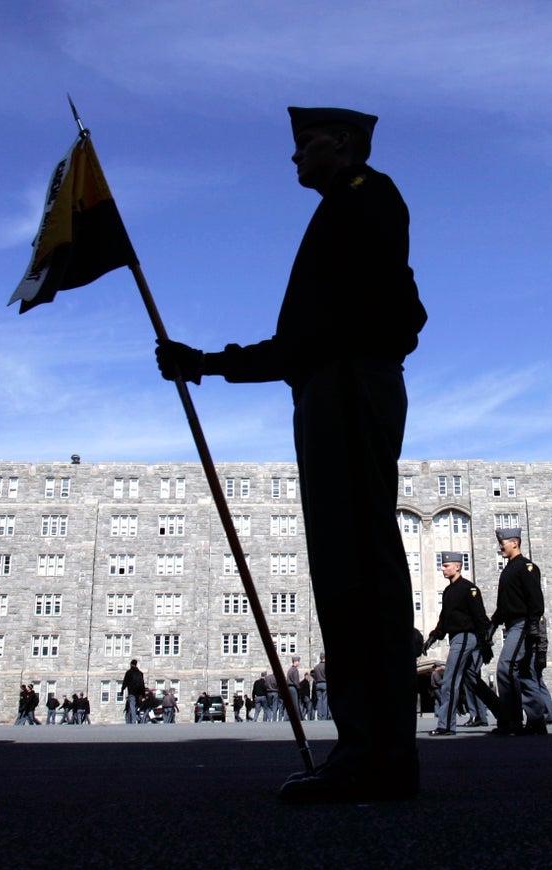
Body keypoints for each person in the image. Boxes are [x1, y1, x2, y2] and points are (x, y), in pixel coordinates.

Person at [156, 105, 426, 804]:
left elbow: (373, 314)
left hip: (346, 383)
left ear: (342, 143)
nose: (295, 158)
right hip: (327, 386)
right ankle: (372, 748)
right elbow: (304, 338)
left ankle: (376, 754)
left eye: (306, 144)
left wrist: (217, 362)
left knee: (358, 567)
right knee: (344, 565)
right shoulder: (341, 208)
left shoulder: (368, 198)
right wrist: (208, 363)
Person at [423, 552, 502, 735]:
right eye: (443, 565)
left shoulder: (469, 589)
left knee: (450, 679)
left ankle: (446, 725)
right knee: (472, 680)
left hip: (465, 636)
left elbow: (480, 618)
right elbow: (445, 619)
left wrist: (486, 644)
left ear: (457, 566)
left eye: (446, 566)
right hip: (456, 637)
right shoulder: (449, 591)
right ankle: (504, 715)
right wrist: (434, 637)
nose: (443, 569)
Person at [488, 528, 550, 735]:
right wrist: (493, 624)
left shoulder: (526, 567)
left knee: (506, 668)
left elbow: (535, 599)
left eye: (503, 542)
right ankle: (536, 722)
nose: (500, 547)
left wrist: (534, 624)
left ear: (515, 542)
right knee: (525, 673)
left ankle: (512, 722)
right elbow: (504, 604)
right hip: (513, 624)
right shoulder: (508, 570)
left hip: (523, 624)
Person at [121, 659, 145, 724]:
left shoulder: (129, 672)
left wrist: (122, 690)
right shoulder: (140, 673)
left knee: (132, 705)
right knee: (136, 706)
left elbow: (125, 682)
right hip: (139, 692)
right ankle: (137, 718)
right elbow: (142, 684)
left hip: (131, 692)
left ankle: (134, 720)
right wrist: (143, 694)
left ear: (131, 664)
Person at [310, 654, 329, 721]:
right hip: (324, 683)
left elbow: (312, 674)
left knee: (319, 700)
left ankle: (319, 716)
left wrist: (316, 679)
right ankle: (324, 716)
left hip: (318, 684)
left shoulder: (316, 667)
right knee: (325, 700)